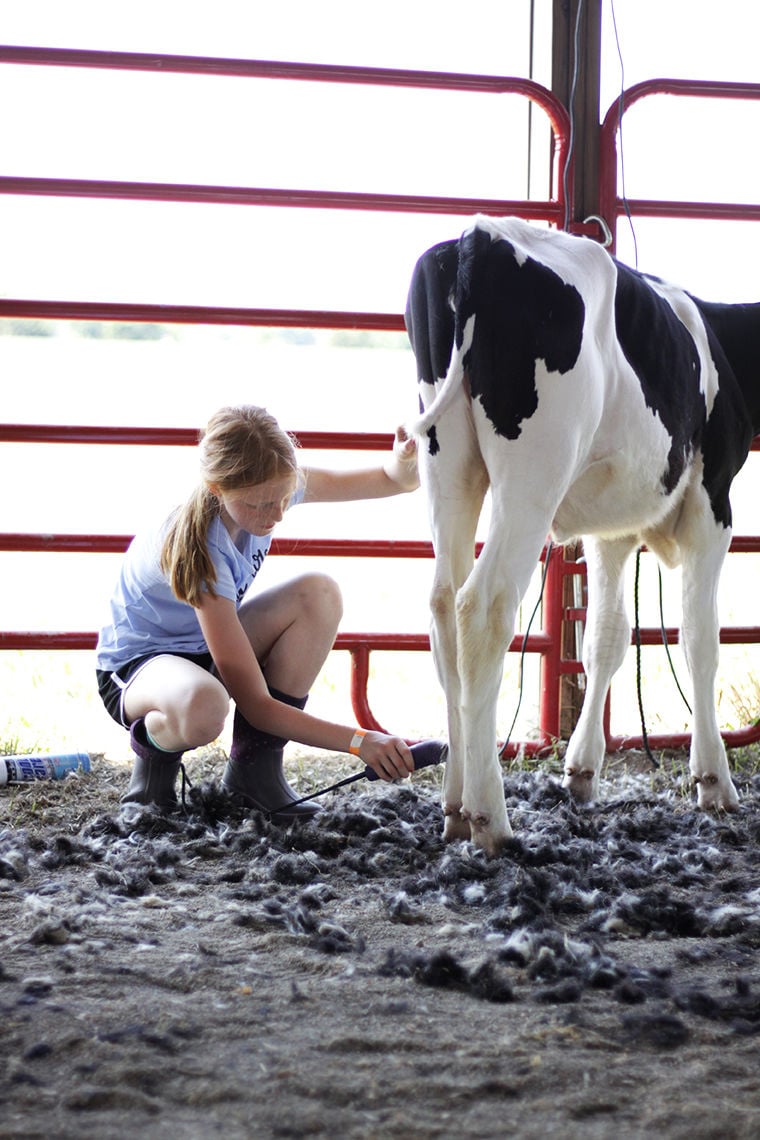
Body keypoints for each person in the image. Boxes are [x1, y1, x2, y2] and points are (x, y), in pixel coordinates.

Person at [96, 404, 439, 818]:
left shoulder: (271, 483)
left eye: (282, 499)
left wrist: (403, 460)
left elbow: (390, 481)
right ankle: (152, 775)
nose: (275, 515)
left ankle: (254, 774)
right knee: (204, 707)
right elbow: (256, 704)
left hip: (206, 649)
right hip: (141, 670)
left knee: (319, 594)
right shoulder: (199, 548)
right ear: (217, 488)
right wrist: (359, 741)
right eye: (259, 505)